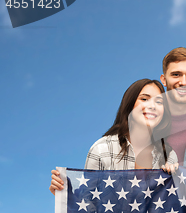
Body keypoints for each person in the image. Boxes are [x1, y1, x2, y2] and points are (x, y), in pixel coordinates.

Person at [49, 79, 178, 195]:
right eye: (144, 99)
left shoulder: (169, 155)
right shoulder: (101, 149)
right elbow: (87, 204)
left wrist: (179, 178)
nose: (152, 106)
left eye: (159, 102)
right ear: (130, 105)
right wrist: (65, 195)